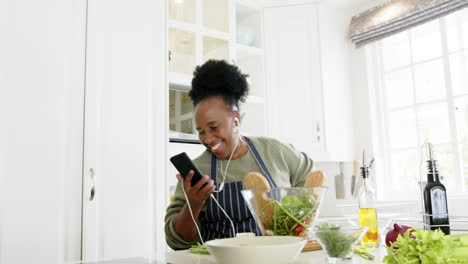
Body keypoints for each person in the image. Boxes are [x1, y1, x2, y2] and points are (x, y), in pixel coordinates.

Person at [164, 60, 315, 250]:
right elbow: (177, 242)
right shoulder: (197, 173)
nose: (208, 139)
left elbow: (311, 181)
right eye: (201, 131)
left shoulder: (275, 151)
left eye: (213, 127)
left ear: (235, 120)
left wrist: (298, 221)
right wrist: (194, 204)